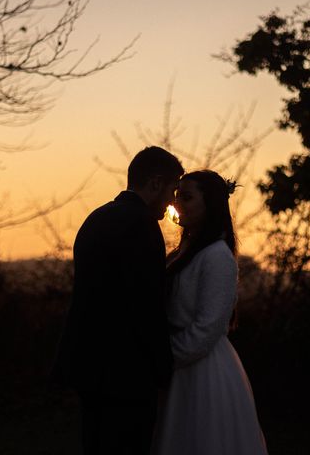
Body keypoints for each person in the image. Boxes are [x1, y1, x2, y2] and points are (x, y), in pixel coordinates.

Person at [52, 146, 184, 455]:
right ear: (154, 183)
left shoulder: (97, 218)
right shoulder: (142, 226)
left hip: (88, 365)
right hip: (126, 373)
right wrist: (163, 367)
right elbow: (144, 307)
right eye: (172, 189)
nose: (172, 202)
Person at [152, 170, 268, 455]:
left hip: (202, 372)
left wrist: (164, 358)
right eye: (177, 197)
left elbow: (208, 328)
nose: (178, 204)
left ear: (211, 204)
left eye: (187, 197)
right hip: (178, 367)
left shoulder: (216, 255)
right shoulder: (182, 253)